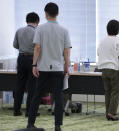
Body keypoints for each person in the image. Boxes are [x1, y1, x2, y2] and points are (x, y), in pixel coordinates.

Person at [27, 2, 71, 131]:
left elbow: (37, 48)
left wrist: (34, 64)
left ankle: (30, 123)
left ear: (45, 14)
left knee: (37, 95)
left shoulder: (40, 28)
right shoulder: (64, 30)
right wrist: (67, 67)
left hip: (43, 67)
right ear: (57, 13)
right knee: (58, 96)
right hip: (58, 68)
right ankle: (57, 125)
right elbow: (67, 52)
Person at [13, 12, 40, 117]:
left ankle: (16, 110)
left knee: (19, 85)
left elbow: (15, 45)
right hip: (32, 60)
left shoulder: (19, 31)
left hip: (21, 58)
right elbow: (38, 47)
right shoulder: (37, 32)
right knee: (32, 86)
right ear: (36, 22)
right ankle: (29, 111)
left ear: (26, 21)